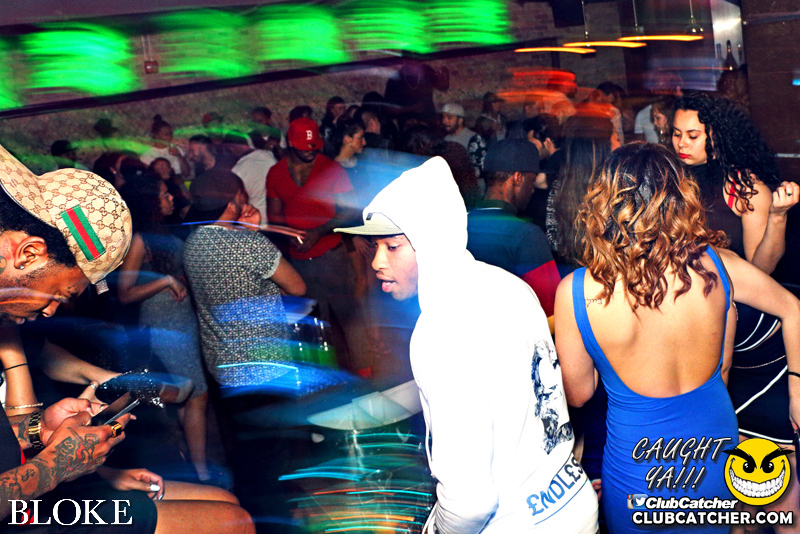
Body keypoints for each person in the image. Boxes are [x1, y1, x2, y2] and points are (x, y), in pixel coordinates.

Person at [335, 156, 598, 533]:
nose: (377, 261)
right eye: (375, 246)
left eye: (392, 247)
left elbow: (471, 503)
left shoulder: (440, 329)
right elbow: (505, 388)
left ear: (432, 243)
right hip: (571, 505)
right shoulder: (507, 285)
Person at [0, 144, 254, 534]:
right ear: (30, 253)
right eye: (57, 295)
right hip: (26, 513)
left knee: (229, 507)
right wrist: (53, 467)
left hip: (31, 500)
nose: (50, 312)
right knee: (233, 522)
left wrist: (40, 430)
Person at [554, 142, 800, 534]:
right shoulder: (717, 264)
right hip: (715, 450)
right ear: (681, 195)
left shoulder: (579, 291)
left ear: (606, 201)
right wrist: (797, 391)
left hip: (640, 466)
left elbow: (579, 394)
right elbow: (790, 310)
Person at [118, 174, 210, 482]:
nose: (171, 197)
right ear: (150, 203)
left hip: (182, 322)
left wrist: (178, 278)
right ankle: (200, 472)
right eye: (164, 194)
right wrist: (165, 281)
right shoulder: (140, 239)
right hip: (162, 326)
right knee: (195, 393)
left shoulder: (165, 232)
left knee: (189, 393)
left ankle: (193, 468)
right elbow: (125, 293)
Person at [266, 118, 373, 373]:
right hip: (299, 261)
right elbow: (274, 215)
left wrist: (319, 231)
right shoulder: (276, 173)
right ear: (291, 143)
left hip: (332, 255)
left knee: (349, 316)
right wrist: (288, 233)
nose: (311, 151)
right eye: (305, 147)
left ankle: (367, 374)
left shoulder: (331, 168)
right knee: (314, 323)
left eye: (314, 146)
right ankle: (328, 378)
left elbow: (350, 211)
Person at [672, 91, 799, 274]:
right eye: (676, 134)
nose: (681, 143)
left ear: (717, 136)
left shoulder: (743, 186)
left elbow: (762, 268)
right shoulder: (670, 176)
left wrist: (777, 217)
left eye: (692, 136)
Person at [466, 139, 560, 318]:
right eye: (532, 181)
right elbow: (551, 311)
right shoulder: (527, 236)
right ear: (518, 178)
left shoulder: (460, 223)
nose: (532, 190)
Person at [546, 115, 618, 269]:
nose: (620, 144)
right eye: (617, 139)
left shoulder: (560, 186)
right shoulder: (615, 190)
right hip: (608, 273)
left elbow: (553, 239)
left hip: (569, 272)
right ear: (601, 149)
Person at [442, 103, 487, 174]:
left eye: (449, 118)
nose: (445, 121)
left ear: (460, 120)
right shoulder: (446, 139)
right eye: (443, 117)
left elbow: (482, 167)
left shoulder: (474, 139)